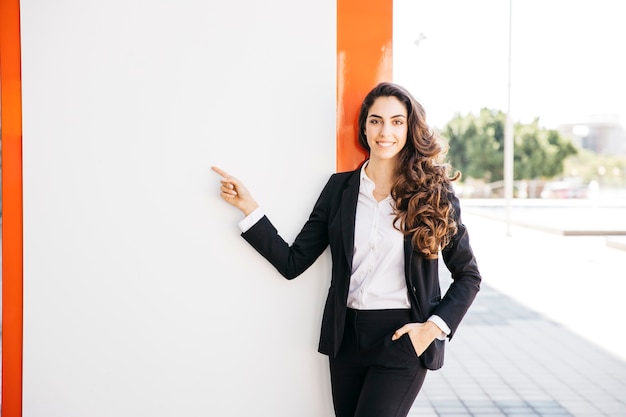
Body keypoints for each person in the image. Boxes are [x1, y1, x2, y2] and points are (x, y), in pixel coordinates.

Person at [212, 82, 481, 417]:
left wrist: (433, 328)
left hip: (403, 338)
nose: (386, 131)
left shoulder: (433, 193)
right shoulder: (340, 189)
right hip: (346, 339)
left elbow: (468, 276)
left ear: (410, 130)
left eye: (397, 122)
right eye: (376, 121)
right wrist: (250, 208)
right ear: (364, 128)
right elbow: (293, 262)